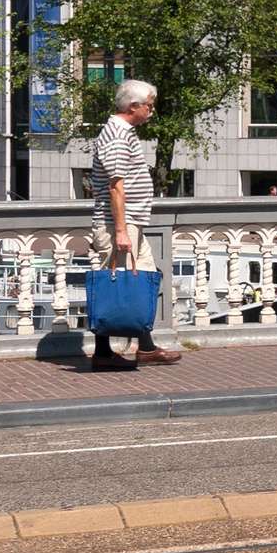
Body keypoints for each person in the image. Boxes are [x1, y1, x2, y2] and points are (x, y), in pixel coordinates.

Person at [89, 78, 179, 369]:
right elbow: (116, 186)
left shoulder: (122, 133)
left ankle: (145, 347)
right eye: (149, 106)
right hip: (119, 223)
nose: (151, 112)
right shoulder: (116, 135)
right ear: (133, 106)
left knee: (140, 281)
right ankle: (104, 352)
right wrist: (120, 231)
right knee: (115, 285)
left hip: (130, 222)